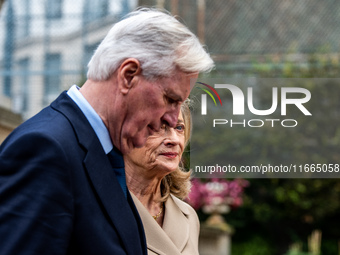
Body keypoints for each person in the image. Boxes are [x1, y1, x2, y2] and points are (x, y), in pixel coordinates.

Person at [0, 8, 214, 255]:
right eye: (170, 99)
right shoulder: (45, 148)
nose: (173, 118)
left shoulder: (104, 150)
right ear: (128, 75)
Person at [124, 101, 199, 255]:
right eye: (158, 127)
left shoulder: (189, 216)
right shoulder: (96, 211)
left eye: (179, 128)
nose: (174, 140)